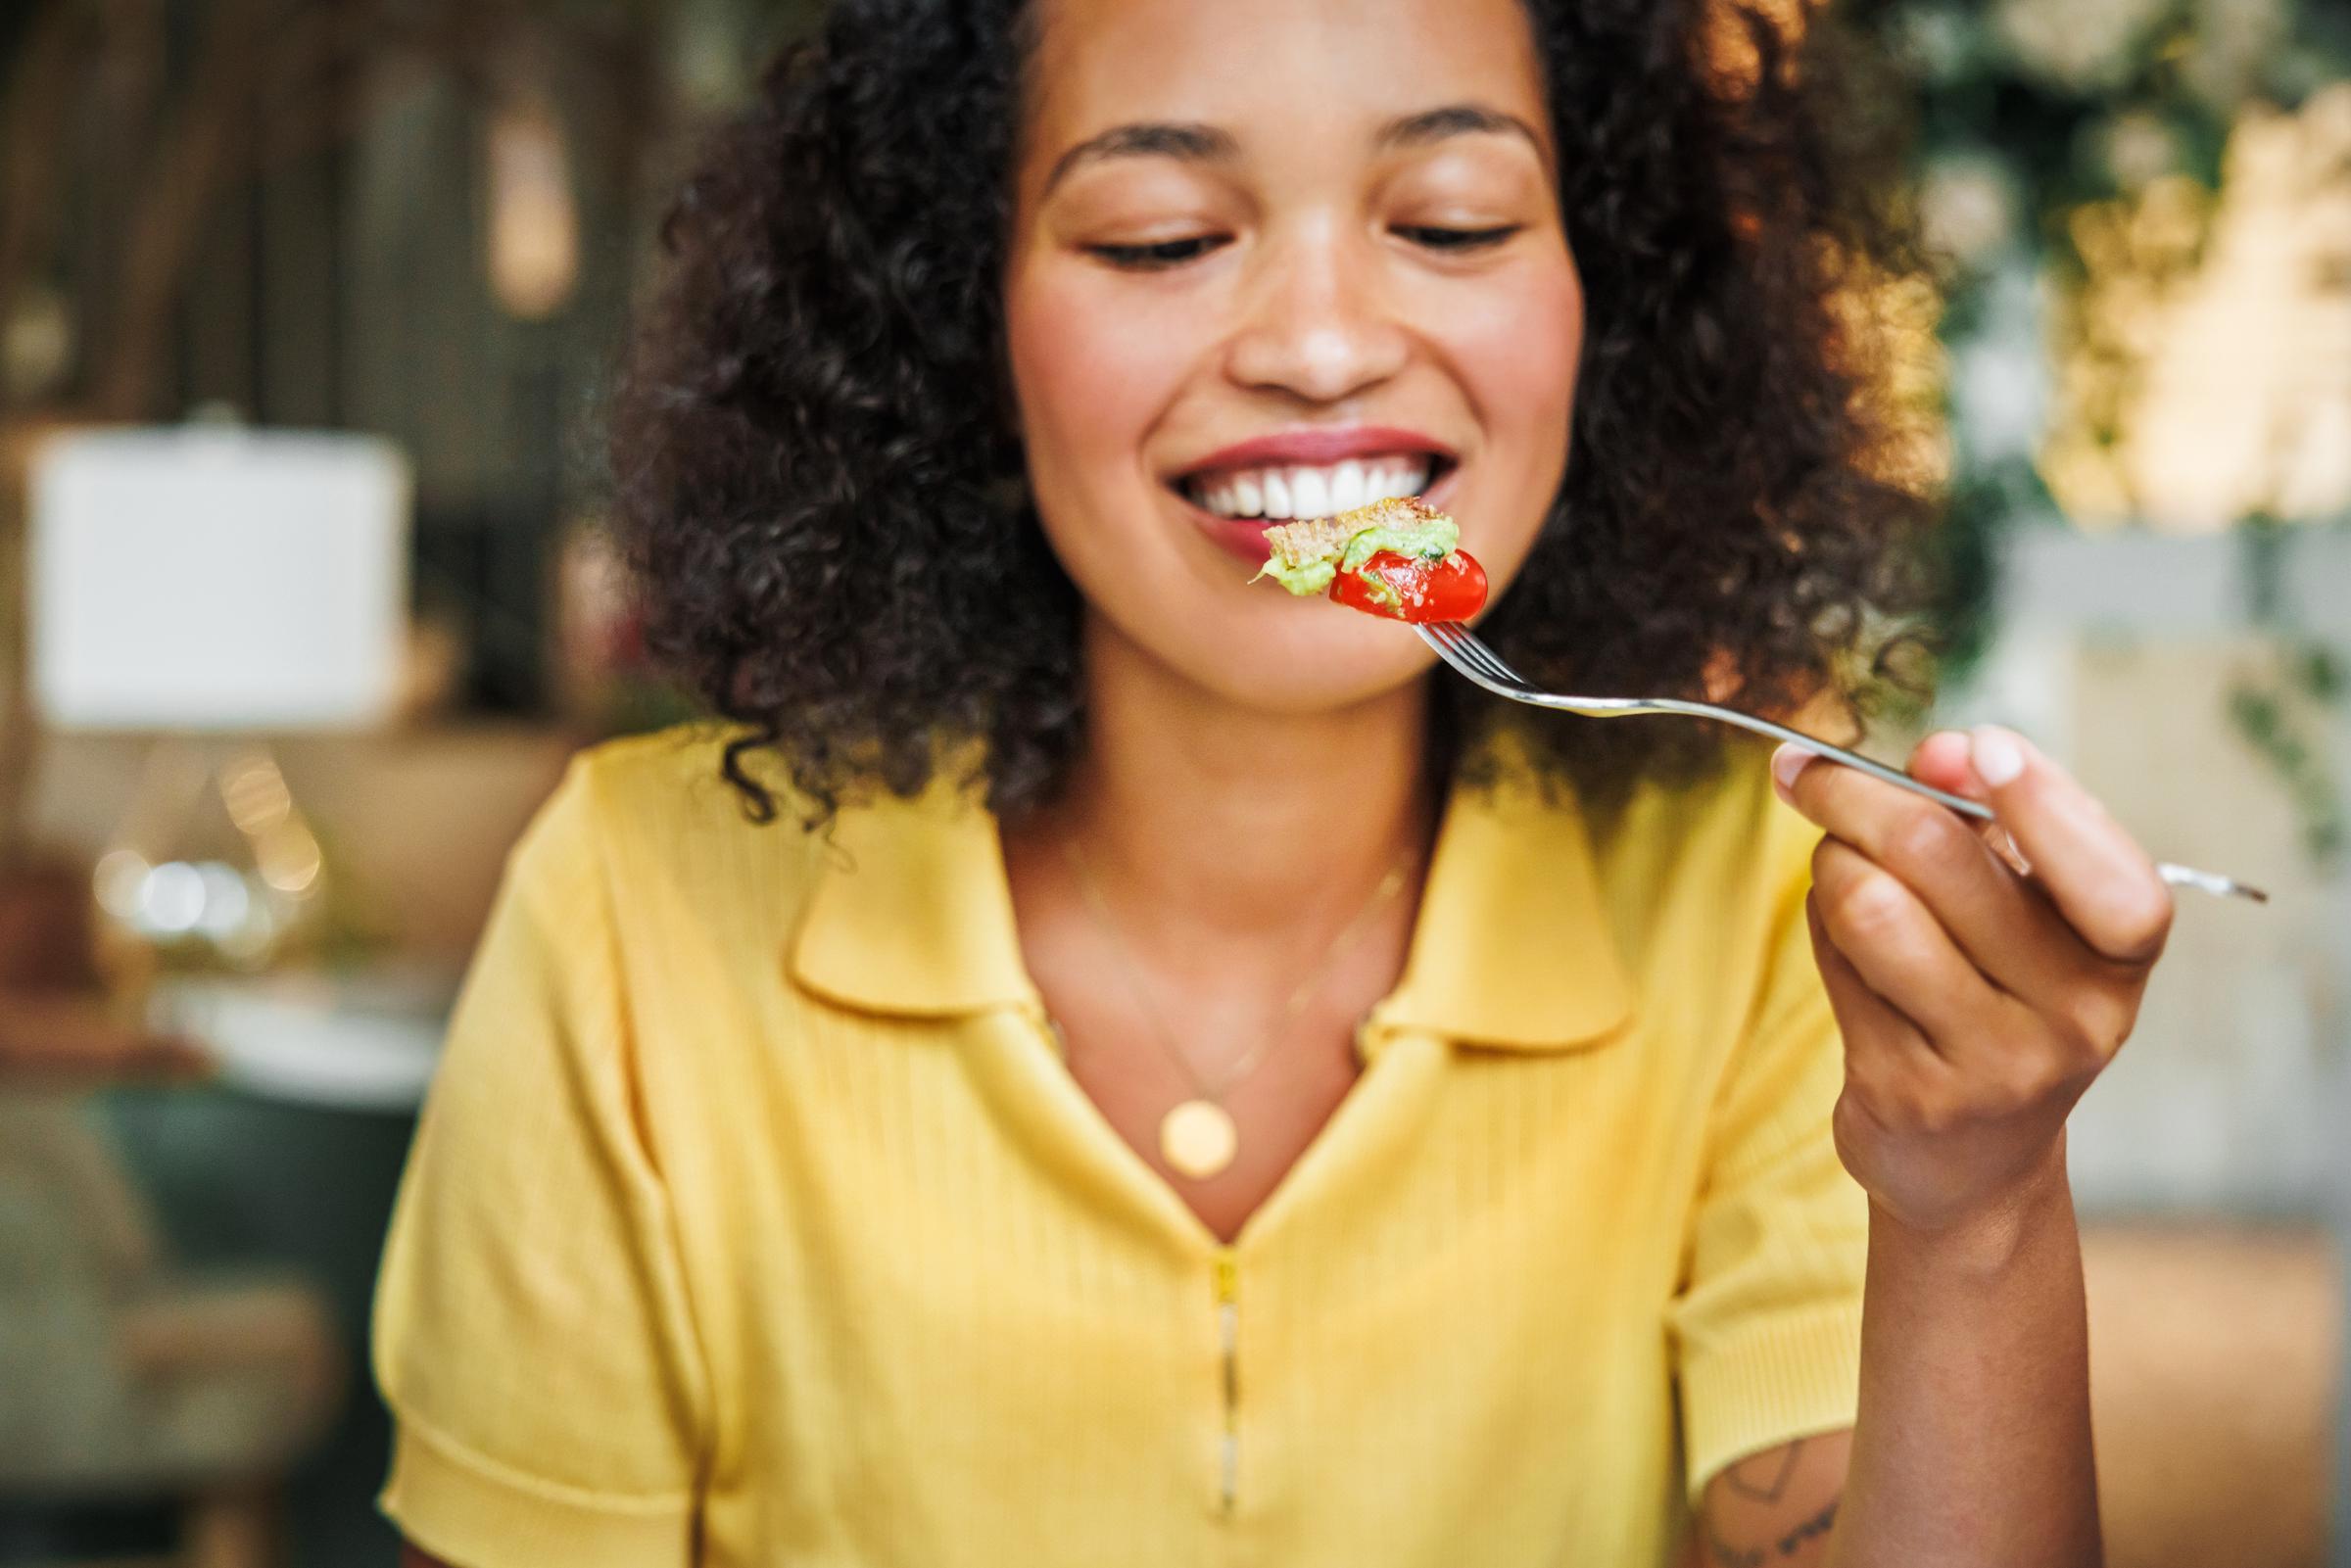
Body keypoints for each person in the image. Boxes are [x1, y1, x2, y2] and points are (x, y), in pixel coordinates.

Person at [376, 0, 2172, 1563]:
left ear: (1601, 303)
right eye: (1161, 237)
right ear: (955, 319)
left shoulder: (1762, 907)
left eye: (1454, 219)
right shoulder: (636, 904)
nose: (1319, 344)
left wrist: (1979, 1204)